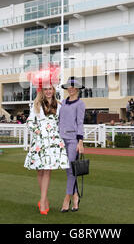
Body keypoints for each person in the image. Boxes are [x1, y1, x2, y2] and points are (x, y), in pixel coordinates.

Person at [24, 81, 69, 215]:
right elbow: (30, 122)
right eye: (46, 89)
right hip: (40, 141)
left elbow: (63, 122)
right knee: (40, 171)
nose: (48, 91)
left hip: (54, 142)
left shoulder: (60, 105)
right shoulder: (37, 104)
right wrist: (39, 132)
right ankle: (44, 198)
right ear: (42, 91)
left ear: (54, 90)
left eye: (50, 89)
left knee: (48, 170)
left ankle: (43, 201)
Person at [59, 77, 86, 213]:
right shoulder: (63, 102)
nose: (70, 88)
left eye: (73, 86)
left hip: (73, 140)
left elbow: (80, 122)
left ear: (77, 89)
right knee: (68, 169)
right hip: (61, 139)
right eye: (69, 86)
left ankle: (67, 198)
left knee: (70, 167)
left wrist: (80, 142)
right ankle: (75, 196)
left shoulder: (80, 104)